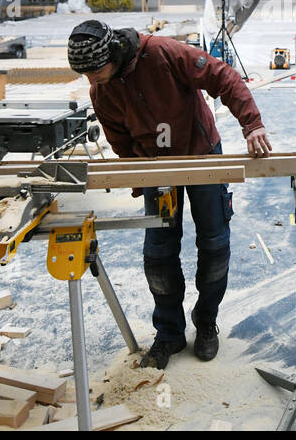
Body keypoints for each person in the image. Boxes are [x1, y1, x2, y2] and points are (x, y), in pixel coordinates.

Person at [67, 20, 272, 368]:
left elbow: (223, 76)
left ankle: (206, 323)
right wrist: (134, 174)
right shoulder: (101, 91)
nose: (92, 81)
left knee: (214, 243)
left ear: (114, 54)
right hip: (154, 167)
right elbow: (119, 137)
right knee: (158, 252)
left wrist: (252, 124)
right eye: (85, 75)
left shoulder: (162, 53)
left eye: (96, 71)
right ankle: (169, 333)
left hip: (201, 153)